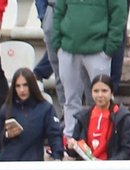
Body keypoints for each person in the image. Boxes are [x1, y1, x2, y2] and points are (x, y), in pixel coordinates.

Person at [51, 0, 124, 136]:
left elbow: (119, 14)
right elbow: (59, 11)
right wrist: (58, 45)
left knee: (101, 99)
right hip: (68, 49)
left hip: (98, 50)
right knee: (70, 99)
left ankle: (101, 141)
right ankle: (71, 143)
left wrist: (109, 49)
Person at [0, 68, 64, 160]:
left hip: (32, 168)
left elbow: (55, 136)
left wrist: (57, 158)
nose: (22, 90)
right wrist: (7, 135)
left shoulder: (45, 109)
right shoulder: (6, 109)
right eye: (18, 86)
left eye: (25, 85)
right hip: (6, 167)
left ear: (32, 85)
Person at [69, 74, 130, 159]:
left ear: (112, 92)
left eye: (104, 91)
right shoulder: (83, 116)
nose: (100, 95)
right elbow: (73, 151)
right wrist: (71, 147)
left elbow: (129, 151)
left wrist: (107, 165)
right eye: (96, 91)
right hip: (86, 169)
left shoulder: (123, 117)